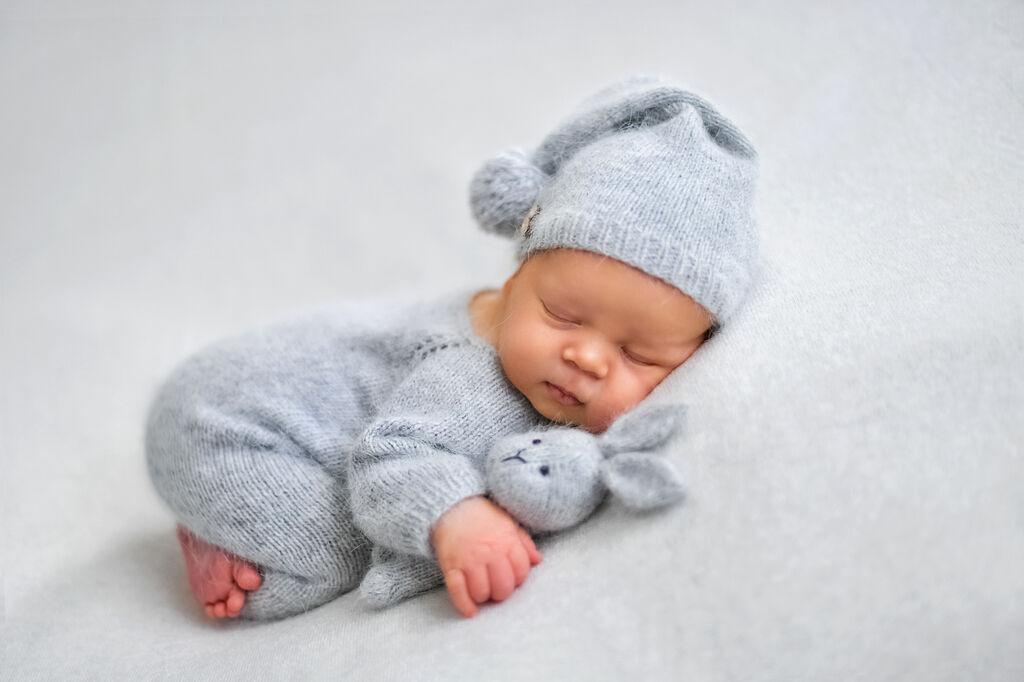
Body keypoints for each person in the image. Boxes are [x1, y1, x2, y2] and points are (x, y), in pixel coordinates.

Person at [145, 73, 760, 621]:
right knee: (323, 561)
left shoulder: (519, 333)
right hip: (223, 427)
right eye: (563, 315)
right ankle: (212, 532)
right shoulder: (471, 380)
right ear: (515, 280)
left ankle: (226, 508)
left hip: (247, 401)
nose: (588, 359)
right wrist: (455, 513)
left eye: (639, 355)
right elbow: (389, 459)